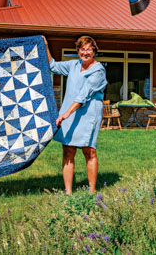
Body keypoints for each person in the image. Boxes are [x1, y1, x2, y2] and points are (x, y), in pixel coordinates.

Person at [43, 35, 107, 194]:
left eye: (89, 49)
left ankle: (92, 191)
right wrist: (45, 46)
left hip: (88, 113)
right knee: (68, 150)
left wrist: (66, 114)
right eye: (82, 49)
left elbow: (83, 95)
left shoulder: (98, 71)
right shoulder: (73, 65)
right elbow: (53, 66)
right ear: (78, 51)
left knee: (89, 150)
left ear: (94, 51)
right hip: (69, 111)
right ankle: (68, 192)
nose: (85, 53)